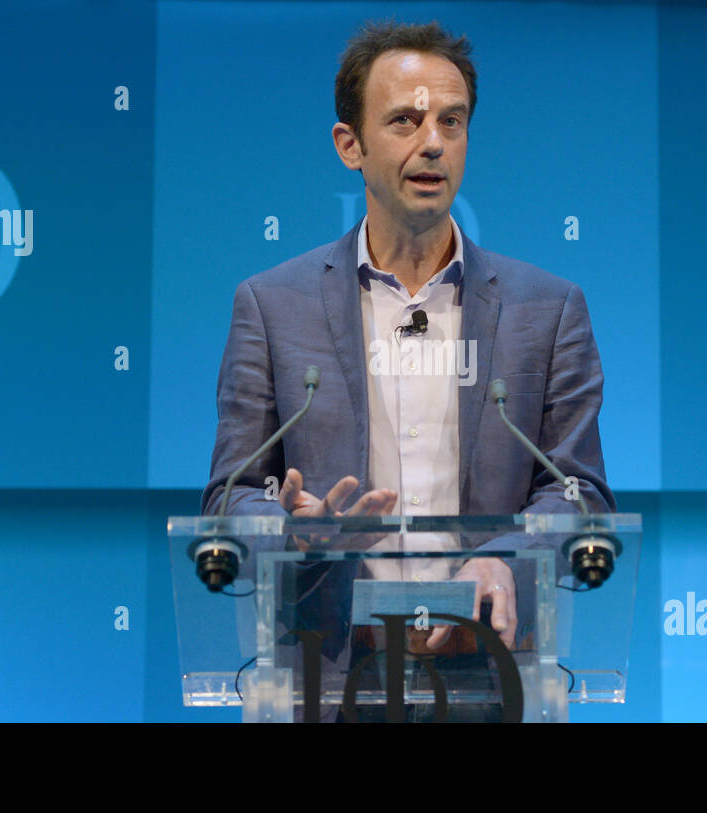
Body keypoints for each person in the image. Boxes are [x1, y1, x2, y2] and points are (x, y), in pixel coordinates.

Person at [201, 19, 614, 720]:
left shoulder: (548, 310)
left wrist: (505, 557)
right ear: (349, 146)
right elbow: (230, 498)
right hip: (324, 676)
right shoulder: (272, 307)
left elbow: (579, 493)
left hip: (491, 674)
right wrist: (292, 529)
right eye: (406, 120)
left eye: (451, 122)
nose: (432, 142)